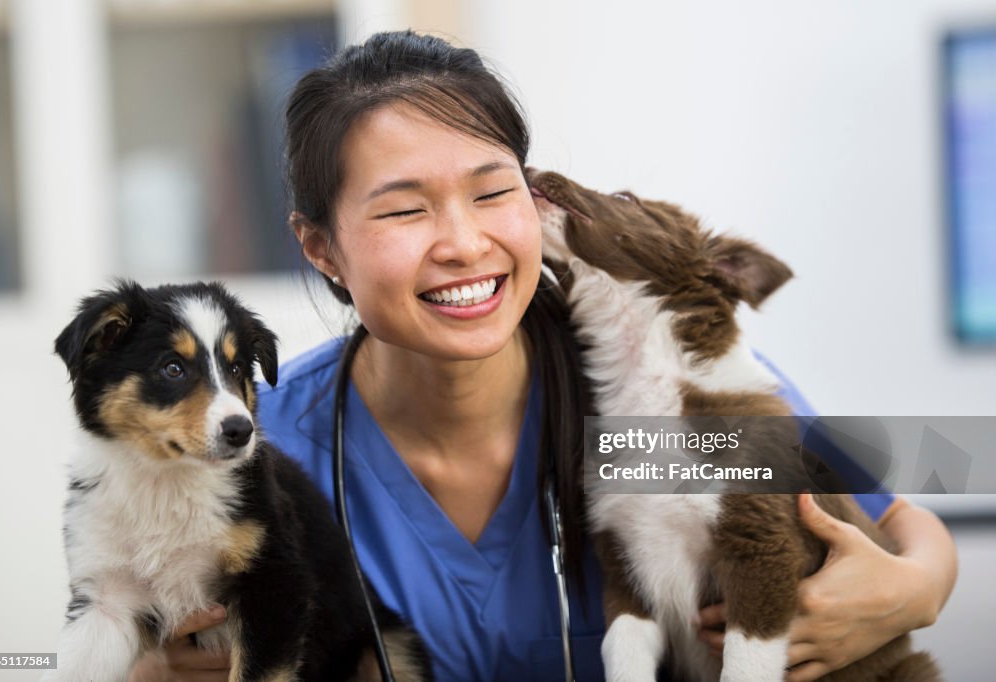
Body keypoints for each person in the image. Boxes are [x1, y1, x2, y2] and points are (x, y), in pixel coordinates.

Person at [130, 30, 957, 682]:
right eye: (405, 211)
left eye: (495, 193)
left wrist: (916, 588)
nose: (464, 243)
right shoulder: (271, 449)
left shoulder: (645, 392)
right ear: (321, 248)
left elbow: (914, 494)